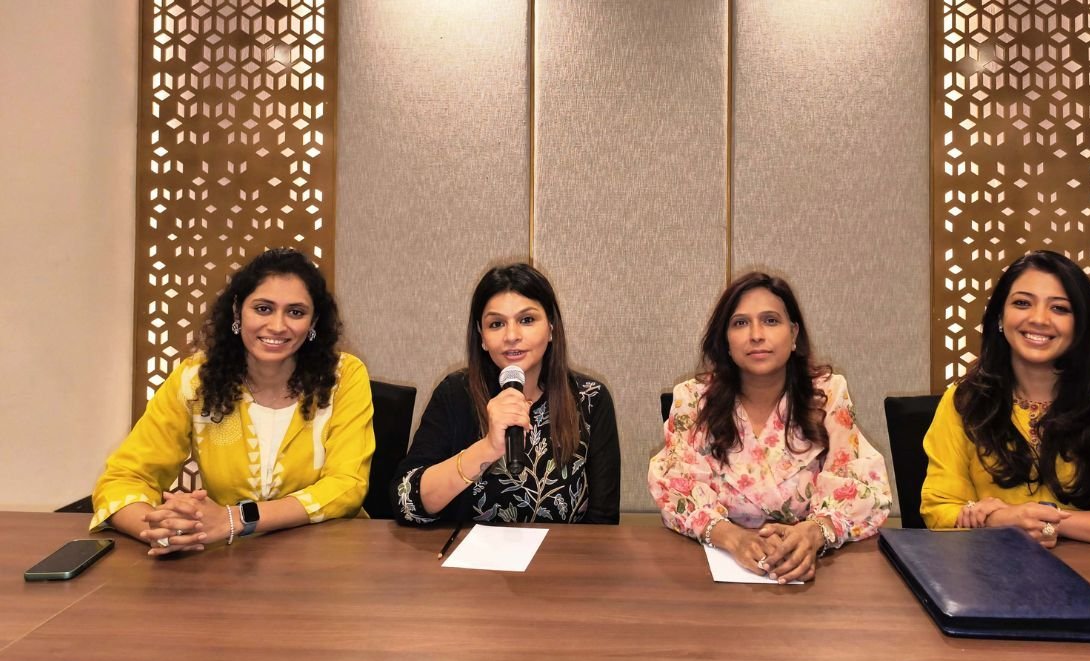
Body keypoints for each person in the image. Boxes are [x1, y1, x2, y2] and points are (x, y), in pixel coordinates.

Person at [91, 248, 375, 554]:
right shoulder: (195, 380)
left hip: (327, 557)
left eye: (295, 312)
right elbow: (123, 479)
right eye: (263, 309)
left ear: (313, 321)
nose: (278, 326)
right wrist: (164, 531)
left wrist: (236, 519)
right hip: (229, 559)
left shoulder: (343, 376)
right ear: (238, 312)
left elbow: (347, 485)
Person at [921, 250, 1090, 556]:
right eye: (1022, 303)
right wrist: (998, 520)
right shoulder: (965, 401)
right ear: (1000, 317)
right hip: (990, 573)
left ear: (1080, 324)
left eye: (1059, 308)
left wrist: (1045, 522)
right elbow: (938, 508)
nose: (1038, 319)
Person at [648, 272, 891, 584]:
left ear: (793, 334)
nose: (756, 335)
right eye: (740, 323)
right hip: (713, 570)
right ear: (726, 340)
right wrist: (731, 537)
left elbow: (860, 485)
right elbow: (673, 486)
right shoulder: (693, 400)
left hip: (812, 572)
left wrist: (813, 533)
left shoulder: (827, 394)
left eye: (771, 321)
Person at [391, 263, 620, 525]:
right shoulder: (456, 394)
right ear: (482, 336)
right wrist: (487, 448)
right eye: (496, 324)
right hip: (472, 551)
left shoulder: (590, 399)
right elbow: (405, 503)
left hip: (561, 552)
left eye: (527, 320)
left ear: (551, 327)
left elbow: (604, 522)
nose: (511, 336)